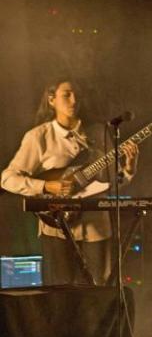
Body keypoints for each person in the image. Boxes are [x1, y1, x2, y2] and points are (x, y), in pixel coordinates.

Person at [1, 78, 139, 285]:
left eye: (77, 95)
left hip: (96, 226)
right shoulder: (39, 137)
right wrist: (46, 186)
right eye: (66, 94)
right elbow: (7, 179)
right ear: (51, 100)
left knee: (98, 289)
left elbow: (110, 182)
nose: (73, 100)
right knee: (61, 291)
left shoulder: (98, 133)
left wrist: (128, 169)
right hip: (57, 226)